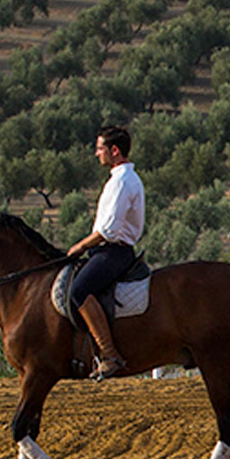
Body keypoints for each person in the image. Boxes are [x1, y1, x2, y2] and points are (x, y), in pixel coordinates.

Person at [67, 124, 146, 380]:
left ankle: (110, 355)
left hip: (113, 251)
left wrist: (80, 246)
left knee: (79, 290)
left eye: (99, 148)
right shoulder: (121, 178)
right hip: (111, 251)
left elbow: (109, 230)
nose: (95, 153)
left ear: (114, 151)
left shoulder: (122, 181)